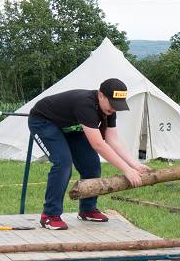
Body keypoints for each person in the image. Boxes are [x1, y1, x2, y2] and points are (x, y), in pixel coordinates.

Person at [27, 78, 150, 230]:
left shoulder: (109, 109)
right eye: (112, 104)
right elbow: (98, 144)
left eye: (117, 105)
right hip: (44, 123)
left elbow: (113, 140)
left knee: (91, 166)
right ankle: (49, 215)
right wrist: (126, 170)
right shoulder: (85, 104)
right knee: (63, 164)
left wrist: (135, 165)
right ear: (101, 95)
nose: (114, 109)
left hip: (70, 128)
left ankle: (87, 209)